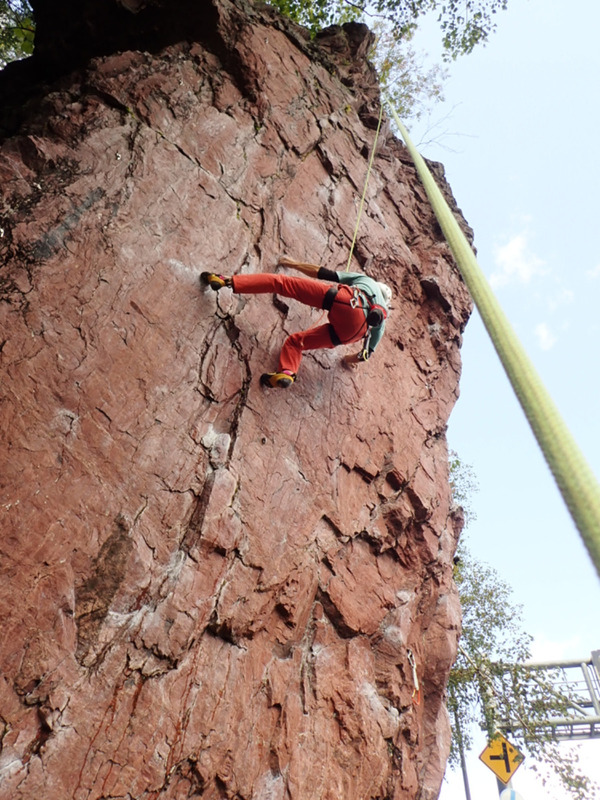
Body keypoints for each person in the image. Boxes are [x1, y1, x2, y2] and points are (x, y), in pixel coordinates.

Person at [200, 256, 392, 388]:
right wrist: (346, 360)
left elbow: (323, 273)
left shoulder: (368, 281)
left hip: (348, 302)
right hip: (349, 334)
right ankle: (287, 372)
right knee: (296, 343)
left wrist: (293, 264)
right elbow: (364, 355)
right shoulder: (382, 320)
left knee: (281, 283)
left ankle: (226, 281)